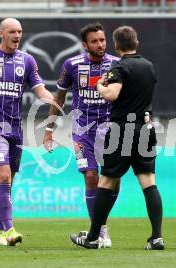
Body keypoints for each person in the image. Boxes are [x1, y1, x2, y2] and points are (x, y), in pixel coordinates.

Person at [70, 26, 164, 250]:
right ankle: (157, 237)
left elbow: (112, 95)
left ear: (117, 45)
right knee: (148, 182)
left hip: (122, 129)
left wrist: (101, 85)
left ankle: (93, 237)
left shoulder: (119, 66)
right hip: (146, 127)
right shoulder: (149, 66)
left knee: (107, 180)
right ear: (136, 42)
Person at [0, 18, 54, 246]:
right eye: (13, 31)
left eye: (20, 31)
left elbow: (39, 89)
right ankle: (10, 230)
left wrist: (54, 99)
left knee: (8, 182)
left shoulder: (27, 60)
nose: (17, 35)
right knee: (3, 176)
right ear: (1, 34)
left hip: (16, 130)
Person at [46, 22, 119, 248]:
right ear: (84, 44)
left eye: (102, 40)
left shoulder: (117, 65)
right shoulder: (72, 65)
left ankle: (100, 228)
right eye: (94, 41)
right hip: (82, 129)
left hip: (111, 129)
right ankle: (100, 231)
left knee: (112, 180)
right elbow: (59, 97)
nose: (100, 44)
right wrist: (49, 129)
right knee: (90, 176)